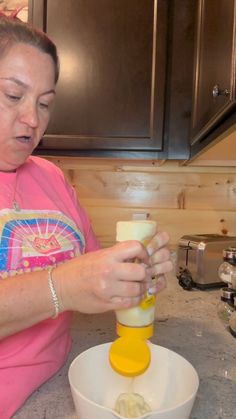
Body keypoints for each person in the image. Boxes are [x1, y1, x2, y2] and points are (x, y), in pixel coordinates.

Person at [0, 15, 173, 418]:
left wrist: (132, 274)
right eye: (12, 95)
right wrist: (65, 286)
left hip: (61, 382)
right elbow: (71, 282)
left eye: (45, 103)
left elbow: (91, 271)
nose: (33, 119)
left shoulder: (52, 178)